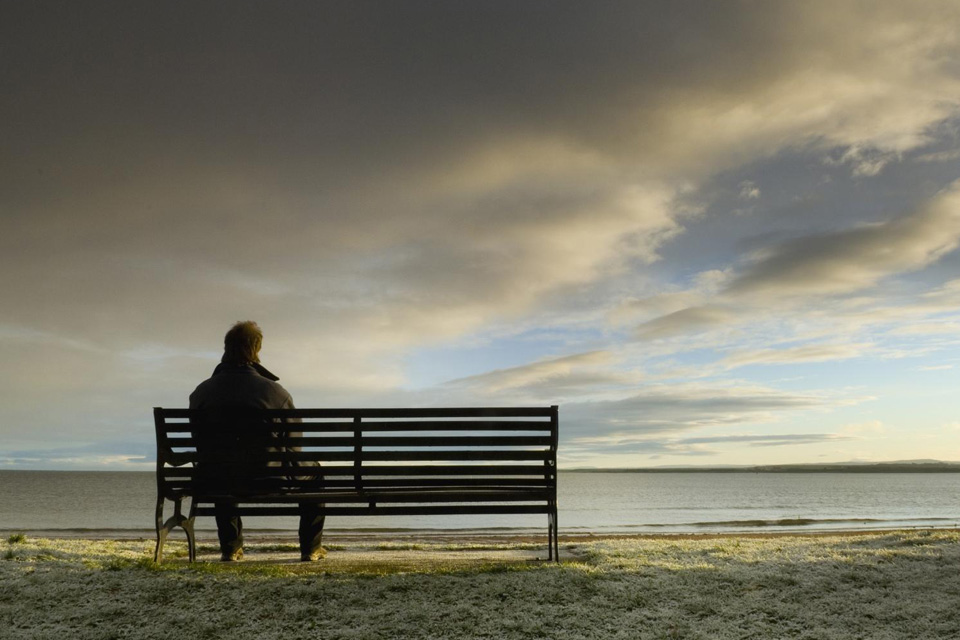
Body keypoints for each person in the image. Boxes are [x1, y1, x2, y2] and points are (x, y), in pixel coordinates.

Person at [189, 321, 325, 562]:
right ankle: (311, 548)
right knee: (315, 472)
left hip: (218, 479)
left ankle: (231, 548)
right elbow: (294, 448)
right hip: (270, 478)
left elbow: (201, 444)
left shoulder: (201, 392)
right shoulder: (276, 392)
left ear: (226, 348)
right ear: (256, 349)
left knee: (222, 467)